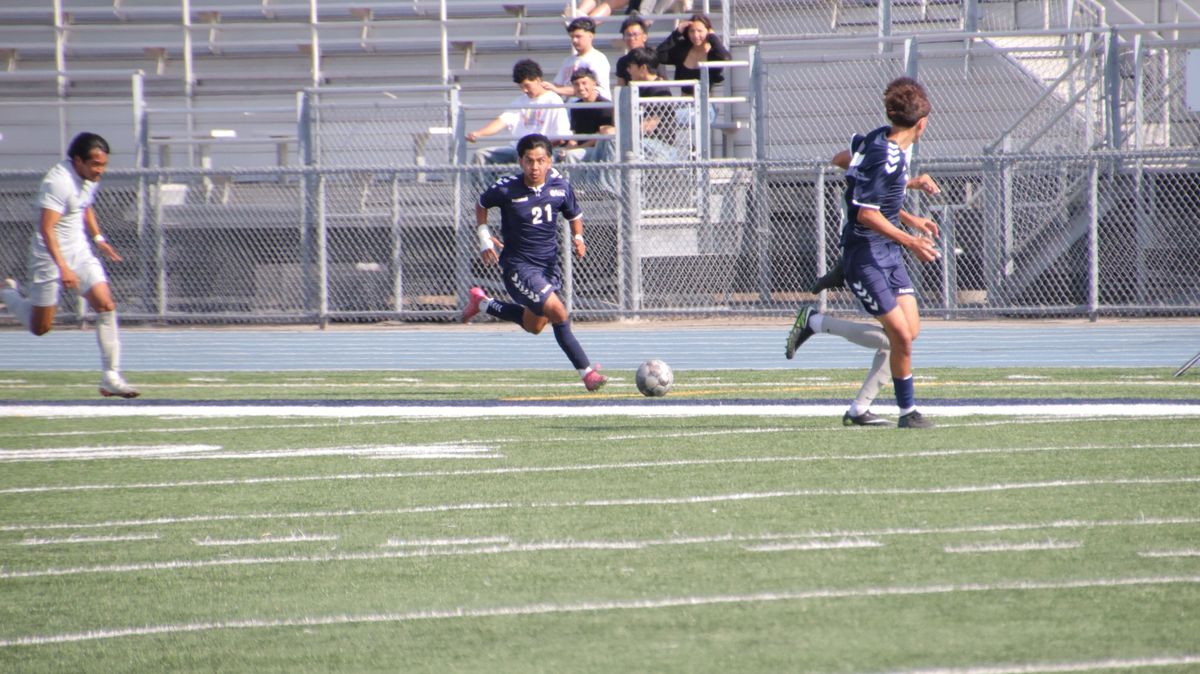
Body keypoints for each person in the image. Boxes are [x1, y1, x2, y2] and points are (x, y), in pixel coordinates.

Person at [784, 77, 940, 429]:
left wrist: (910, 212)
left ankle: (858, 409)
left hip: (887, 252)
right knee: (898, 338)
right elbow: (867, 213)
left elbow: (846, 163)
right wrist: (911, 240)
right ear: (922, 123)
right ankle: (907, 412)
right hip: (866, 255)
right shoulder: (887, 156)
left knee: (907, 334)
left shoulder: (879, 141)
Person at [462, 133, 608, 392]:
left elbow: (575, 214)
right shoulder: (506, 187)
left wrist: (578, 237)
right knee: (559, 312)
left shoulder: (560, 185)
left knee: (535, 325)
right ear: (520, 162)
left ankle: (483, 304)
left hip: (548, 267)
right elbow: (481, 204)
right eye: (529, 161)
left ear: (550, 161)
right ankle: (587, 373)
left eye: (540, 161)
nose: (535, 167)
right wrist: (484, 238)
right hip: (518, 267)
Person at [1, 132, 139, 398]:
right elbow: (46, 228)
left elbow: (84, 205)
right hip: (48, 255)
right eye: (95, 165)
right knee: (40, 328)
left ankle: (111, 376)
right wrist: (62, 267)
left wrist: (98, 238)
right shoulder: (58, 182)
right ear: (78, 160)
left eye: (103, 164)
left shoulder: (88, 177)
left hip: (79, 250)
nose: (100, 170)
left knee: (106, 305)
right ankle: (6, 292)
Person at [810, 172, 942, 293]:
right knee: (890, 312)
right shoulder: (879, 151)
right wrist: (911, 238)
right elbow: (868, 205)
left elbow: (884, 195)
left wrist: (910, 184)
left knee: (902, 312)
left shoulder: (899, 154)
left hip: (884, 249)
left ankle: (843, 271)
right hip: (861, 242)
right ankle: (843, 271)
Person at [466, 59, 571, 166]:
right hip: (516, 150)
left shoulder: (553, 100)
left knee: (527, 158)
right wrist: (479, 133)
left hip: (540, 153)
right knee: (481, 155)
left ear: (537, 80)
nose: (524, 90)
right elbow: (501, 121)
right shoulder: (520, 101)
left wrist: (537, 149)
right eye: (521, 87)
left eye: (527, 86)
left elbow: (561, 137)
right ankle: (485, 183)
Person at [654, 13, 730, 98]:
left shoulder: (713, 53)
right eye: (692, 31)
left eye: (699, 31)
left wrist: (713, 37)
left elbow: (725, 58)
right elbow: (658, 55)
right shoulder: (682, 49)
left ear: (708, 31)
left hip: (707, 100)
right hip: (685, 102)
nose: (695, 35)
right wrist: (677, 33)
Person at [625, 46, 680, 160]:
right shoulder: (639, 89)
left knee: (616, 141)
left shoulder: (660, 91)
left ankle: (610, 178)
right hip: (644, 142)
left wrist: (619, 131)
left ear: (643, 68)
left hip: (661, 146)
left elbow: (648, 127)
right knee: (605, 141)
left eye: (631, 66)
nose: (628, 70)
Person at [559, 67, 615, 164]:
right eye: (576, 84)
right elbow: (575, 135)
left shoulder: (605, 106)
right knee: (557, 154)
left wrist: (576, 149)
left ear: (594, 83)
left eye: (584, 83)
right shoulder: (576, 106)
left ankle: (575, 180)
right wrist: (567, 148)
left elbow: (599, 138)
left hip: (597, 150)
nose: (580, 88)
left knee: (571, 155)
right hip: (581, 147)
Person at [550, 18, 612, 102]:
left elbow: (597, 89)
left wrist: (559, 90)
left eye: (578, 36)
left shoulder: (598, 59)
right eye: (572, 37)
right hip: (569, 108)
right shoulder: (568, 61)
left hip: (591, 108)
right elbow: (557, 85)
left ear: (590, 36)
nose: (574, 40)